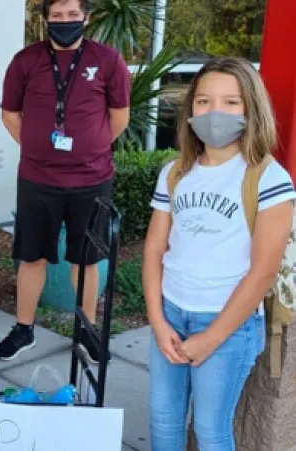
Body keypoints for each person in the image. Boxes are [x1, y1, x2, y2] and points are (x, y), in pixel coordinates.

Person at [144, 57, 294, 450]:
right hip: (172, 313)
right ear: (191, 108)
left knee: (211, 431)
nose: (215, 112)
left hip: (227, 325)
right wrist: (158, 322)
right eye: (204, 101)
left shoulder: (268, 178)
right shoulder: (175, 172)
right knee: (163, 421)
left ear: (251, 108)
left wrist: (211, 338)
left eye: (231, 102)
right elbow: (154, 249)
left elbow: (262, 271)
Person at [0, 0, 130, 362]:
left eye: (72, 15)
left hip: (92, 179)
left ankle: (86, 330)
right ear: (46, 20)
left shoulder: (108, 61)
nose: (65, 22)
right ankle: (24, 329)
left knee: (85, 260)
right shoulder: (26, 61)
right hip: (38, 179)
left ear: (86, 17)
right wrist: (40, 148)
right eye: (57, 16)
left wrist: (89, 150)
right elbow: (10, 114)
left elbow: (119, 117)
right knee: (31, 256)